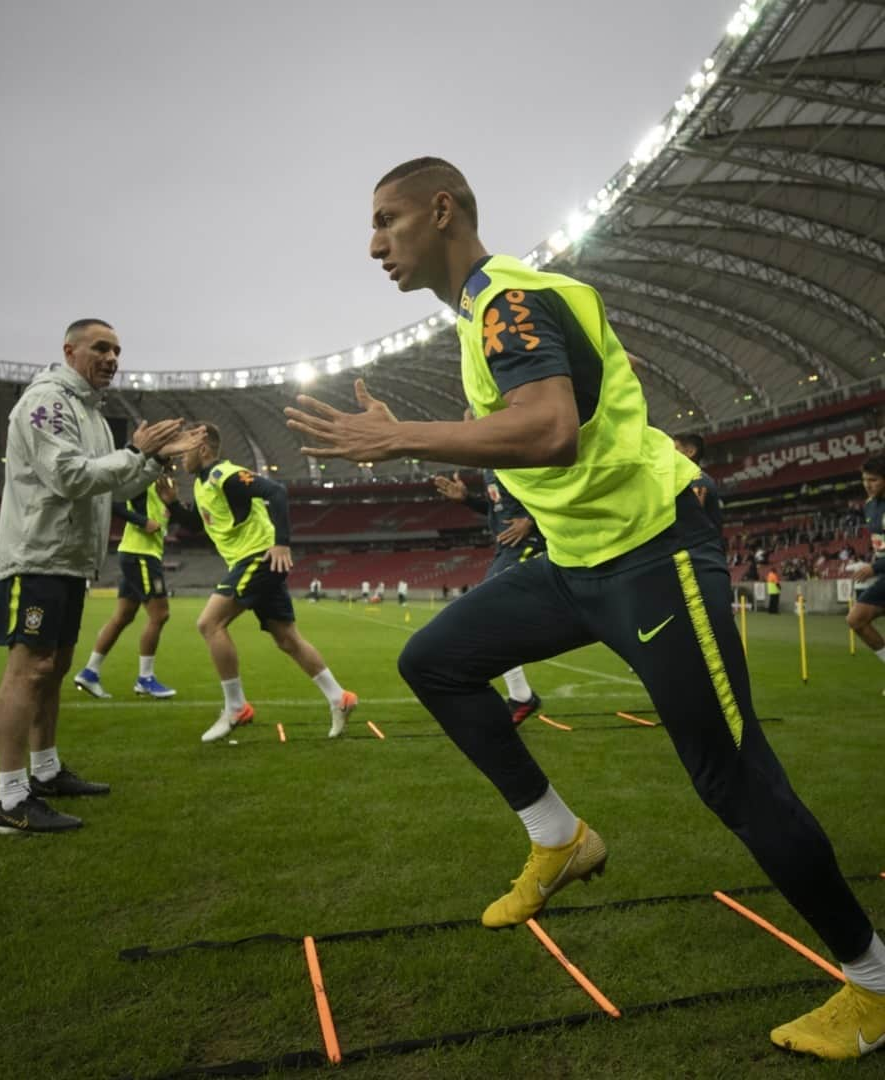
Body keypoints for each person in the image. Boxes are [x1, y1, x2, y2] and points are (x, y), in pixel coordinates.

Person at [284, 157, 885, 1060]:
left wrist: (398, 435)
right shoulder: (483, 316)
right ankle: (558, 837)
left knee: (734, 779)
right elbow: (559, 442)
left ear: (441, 211)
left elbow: (549, 428)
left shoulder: (508, 301)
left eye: (388, 221)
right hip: (576, 564)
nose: (374, 245)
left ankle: (874, 981)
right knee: (434, 662)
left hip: (654, 558)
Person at [0, 318, 202, 835]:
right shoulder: (48, 401)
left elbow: (112, 490)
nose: (111, 357)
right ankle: (12, 798)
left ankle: (45, 772)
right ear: (70, 350)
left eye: (117, 350)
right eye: (100, 348)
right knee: (30, 668)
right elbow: (67, 475)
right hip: (36, 555)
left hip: (69, 560)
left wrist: (149, 462)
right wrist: (136, 452)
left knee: (56, 665)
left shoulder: (92, 416)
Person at [164, 423, 358, 742]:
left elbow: (275, 491)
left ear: (203, 448)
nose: (179, 458)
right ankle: (340, 698)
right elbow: (198, 525)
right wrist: (173, 504)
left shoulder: (223, 474)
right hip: (254, 561)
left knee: (210, 624)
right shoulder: (202, 486)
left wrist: (281, 542)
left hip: (258, 557)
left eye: (184, 450)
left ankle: (236, 707)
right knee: (287, 638)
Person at [434, 466, 543, 723]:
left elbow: (558, 481)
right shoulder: (490, 466)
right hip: (507, 547)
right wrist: (468, 500)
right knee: (493, 618)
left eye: (470, 420)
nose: (466, 422)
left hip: (528, 544)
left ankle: (519, 695)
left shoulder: (514, 449)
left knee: (487, 613)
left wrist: (531, 518)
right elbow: (501, 510)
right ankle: (520, 695)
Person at [73, 472, 178, 700]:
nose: (173, 461)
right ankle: (145, 679)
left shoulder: (163, 484)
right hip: (141, 554)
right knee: (160, 615)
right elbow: (113, 502)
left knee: (123, 616)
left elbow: (165, 518)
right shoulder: (143, 478)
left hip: (141, 554)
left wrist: (172, 506)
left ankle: (90, 672)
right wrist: (143, 522)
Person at [846, 456, 885, 681]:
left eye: (874, 480)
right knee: (856, 619)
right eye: (864, 479)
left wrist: (874, 567)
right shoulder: (870, 505)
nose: (868, 484)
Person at [673, 433, 723, 535]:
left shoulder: (697, 482)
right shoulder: (687, 480)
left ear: (690, 451)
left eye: (675, 449)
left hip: (698, 548)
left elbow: (689, 522)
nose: (669, 454)